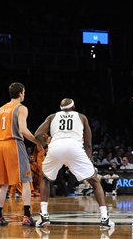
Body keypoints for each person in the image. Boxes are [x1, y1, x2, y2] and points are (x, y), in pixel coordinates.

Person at [34, 98, 114, 229]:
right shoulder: (82, 117)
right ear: (74, 107)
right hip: (74, 147)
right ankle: (104, 218)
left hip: (56, 147)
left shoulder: (52, 116)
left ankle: (44, 215)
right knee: (94, 182)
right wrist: (88, 161)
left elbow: (38, 133)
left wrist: (45, 146)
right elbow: (88, 143)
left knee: (45, 179)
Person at [0, 82, 43, 227]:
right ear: (20, 93)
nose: (24, 95)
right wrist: (37, 142)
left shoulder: (1, 109)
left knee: (3, 184)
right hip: (14, 144)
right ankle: (27, 216)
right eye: (24, 92)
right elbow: (23, 130)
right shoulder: (21, 108)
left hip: (0, 146)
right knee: (26, 180)